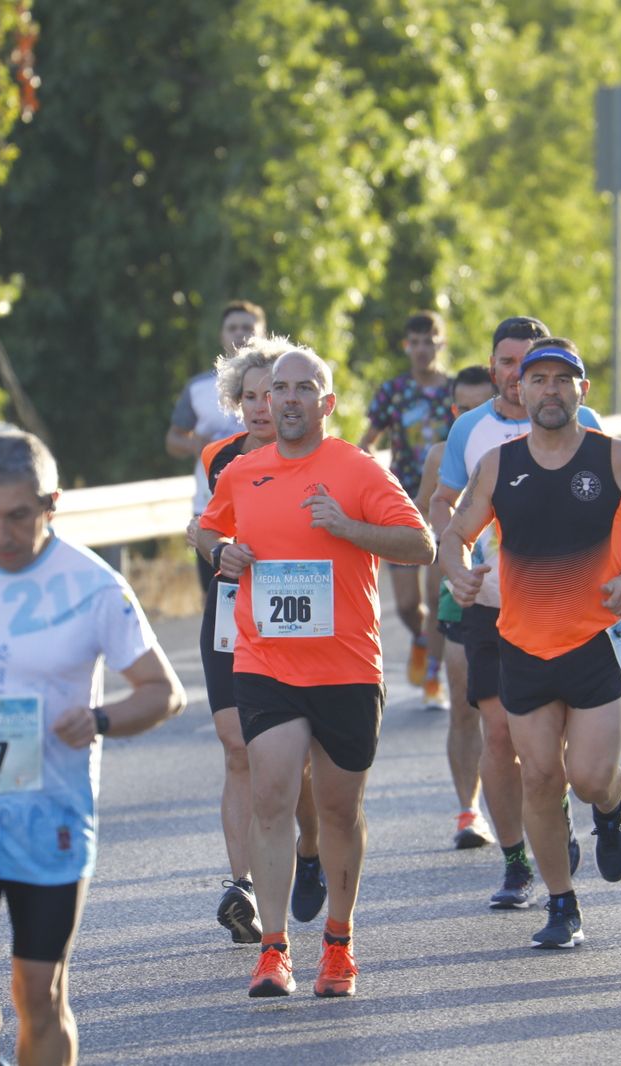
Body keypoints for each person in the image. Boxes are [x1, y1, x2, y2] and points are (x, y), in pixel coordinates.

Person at [0, 430, 185, 1066]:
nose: (0, 535)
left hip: (50, 815)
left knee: (39, 991)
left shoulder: (94, 586)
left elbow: (164, 692)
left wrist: (100, 719)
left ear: (52, 503)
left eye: (18, 516)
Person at [196, 343, 433, 998]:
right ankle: (274, 951)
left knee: (335, 808)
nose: (290, 398)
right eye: (280, 388)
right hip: (266, 660)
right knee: (271, 795)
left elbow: (421, 544)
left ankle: (338, 941)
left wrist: (350, 527)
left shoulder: (357, 469)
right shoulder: (243, 473)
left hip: (346, 666)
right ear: (266, 401)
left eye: (305, 388)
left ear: (326, 403)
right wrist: (224, 550)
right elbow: (203, 528)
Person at [440, 341, 621, 949]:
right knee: (541, 778)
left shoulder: (616, 457)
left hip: (594, 639)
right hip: (522, 644)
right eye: (537, 379)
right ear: (519, 391)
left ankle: (612, 804)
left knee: (589, 775)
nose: (549, 390)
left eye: (561, 381)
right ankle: (562, 904)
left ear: (582, 391)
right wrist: (458, 570)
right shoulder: (497, 463)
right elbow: (456, 533)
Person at [429, 317, 603, 905]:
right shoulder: (470, 431)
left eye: (532, 364)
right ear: (500, 368)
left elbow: (619, 507)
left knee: (556, 753)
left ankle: (568, 816)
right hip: (491, 602)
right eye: (507, 363)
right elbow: (443, 503)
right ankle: (515, 860)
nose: (518, 376)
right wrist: (455, 570)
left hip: (572, 612)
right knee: (498, 735)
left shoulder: (588, 426)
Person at [188, 340, 325, 943]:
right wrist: (219, 550)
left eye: (273, 394)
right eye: (249, 397)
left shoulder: (325, 457)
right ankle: (241, 883)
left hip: (304, 610)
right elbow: (199, 526)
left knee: (296, 761)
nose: (262, 407)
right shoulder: (219, 457)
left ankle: (313, 846)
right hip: (230, 607)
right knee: (237, 744)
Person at [413, 366, 497, 845]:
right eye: (461, 408)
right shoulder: (442, 456)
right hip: (459, 592)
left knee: (517, 718)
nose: (469, 416)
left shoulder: (522, 452)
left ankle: (540, 805)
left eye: (477, 407)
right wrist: (431, 601)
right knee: (466, 707)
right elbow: (429, 530)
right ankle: (469, 812)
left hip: (519, 593)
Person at [358, 311, 456, 700]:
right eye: (414, 342)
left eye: (428, 340)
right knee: (406, 604)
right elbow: (367, 441)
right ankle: (421, 640)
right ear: (406, 346)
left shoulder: (454, 392)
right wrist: (376, 479)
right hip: (400, 505)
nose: (421, 349)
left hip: (445, 502)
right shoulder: (393, 391)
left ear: (441, 343)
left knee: (436, 597)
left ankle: (433, 675)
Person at [168, 300, 268, 592]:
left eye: (248, 327)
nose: (240, 334)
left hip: (268, 504)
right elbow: (173, 439)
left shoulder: (280, 382)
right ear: (222, 335)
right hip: (211, 507)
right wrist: (195, 444)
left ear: (263, 332)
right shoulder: (198, 388)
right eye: (232, 328)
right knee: (218, 601)